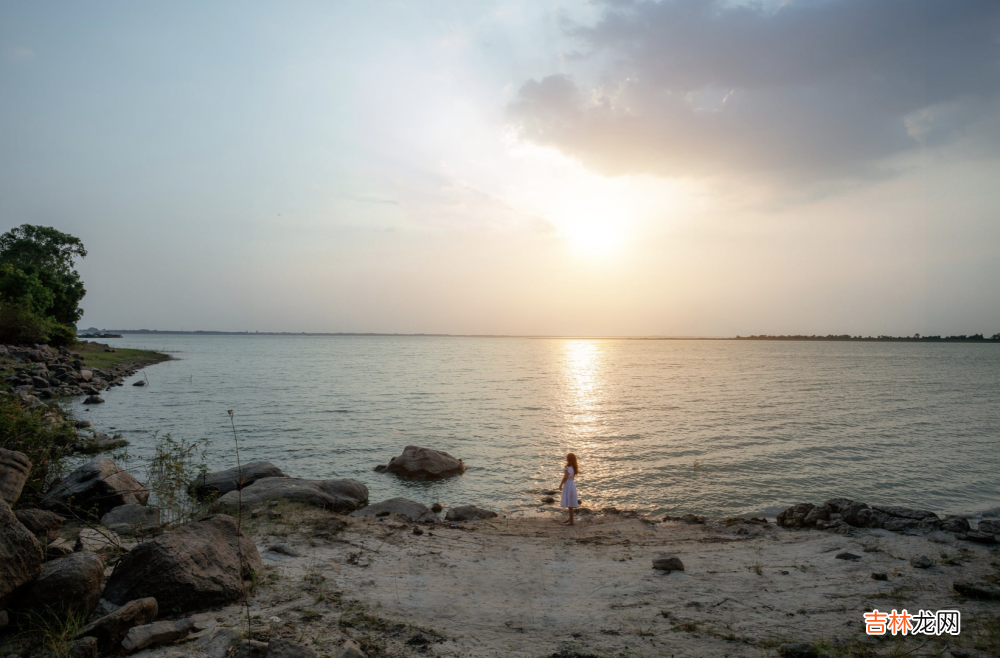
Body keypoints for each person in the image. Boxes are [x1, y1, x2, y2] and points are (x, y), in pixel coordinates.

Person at [559, 453, 580, 525]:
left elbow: (565, 477)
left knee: (570, 503)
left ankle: (571, 521)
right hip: (571, 484)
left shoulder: (568, 468)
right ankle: (570, 518)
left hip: (568, 484)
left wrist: (561, 484)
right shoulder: (573, 467)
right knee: (570, 502)